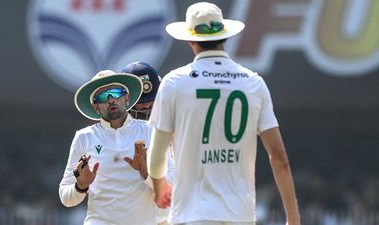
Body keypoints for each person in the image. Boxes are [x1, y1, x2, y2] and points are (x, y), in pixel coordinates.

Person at [147, 2, 301, 225]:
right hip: (239, 216)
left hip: (191, 216)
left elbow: (157, 155)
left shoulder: (174, 83)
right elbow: (279, 158)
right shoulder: (253, 83)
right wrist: (293, 218)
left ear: (190, 40)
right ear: (224, 37)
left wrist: (159, 187)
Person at [59, 70, 174, 225]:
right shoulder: (84, 137)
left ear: (127, 97)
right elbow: (66, 198)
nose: (111, 100)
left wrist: (146, 173)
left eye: (116, 92)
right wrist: (81, 186)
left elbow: (172, 186)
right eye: (103, 97)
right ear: (95, 107)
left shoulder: (151, 131)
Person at [122, 61, 173, 225]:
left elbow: (173, 181)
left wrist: (146, 173)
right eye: (141, 103)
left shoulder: (171, 128)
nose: (147, 107)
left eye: (151, 102)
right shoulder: (113, 134)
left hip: (165, 218)